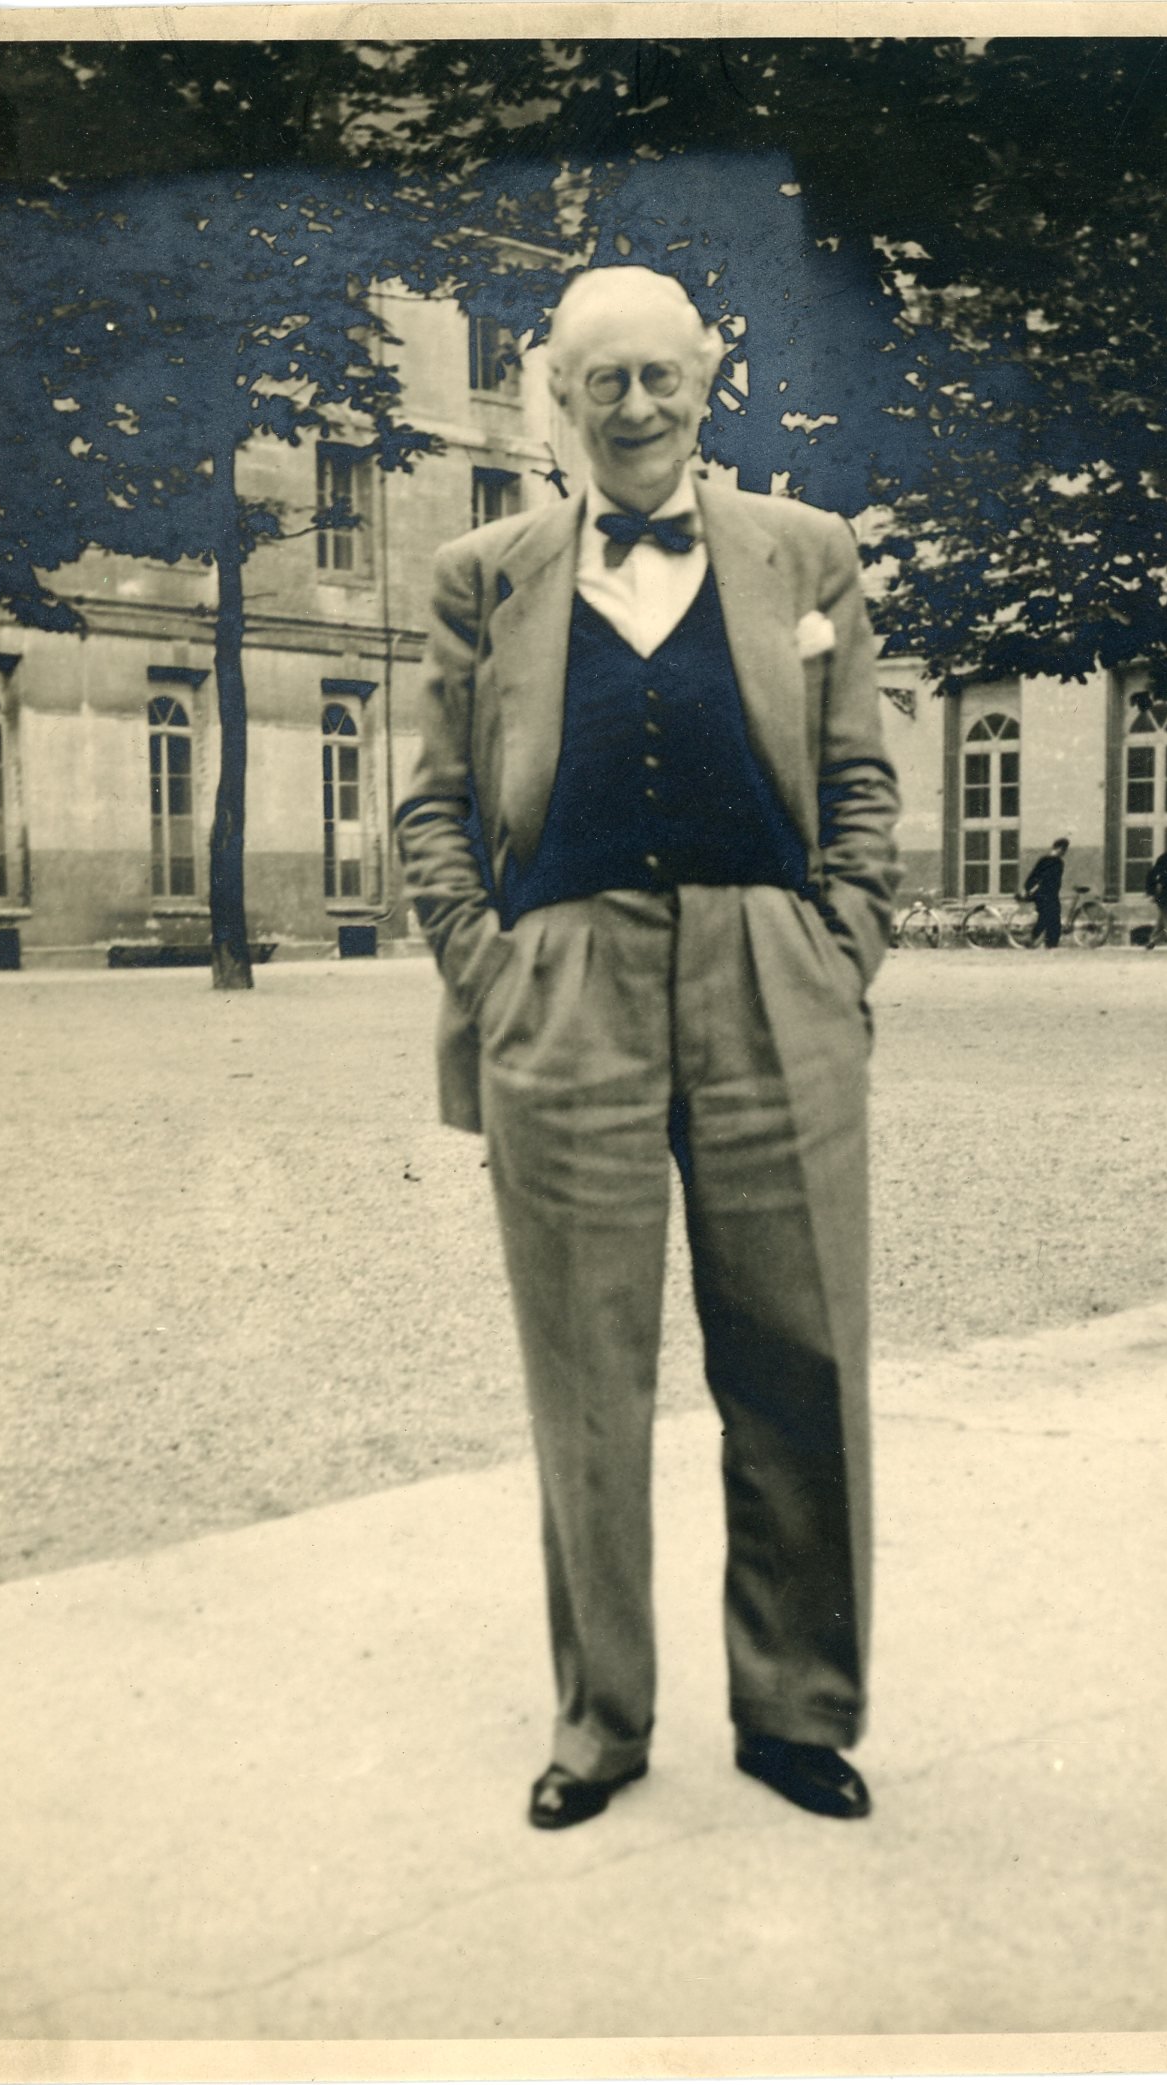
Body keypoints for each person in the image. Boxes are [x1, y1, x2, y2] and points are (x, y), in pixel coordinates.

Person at [396, 266, 901, 1832]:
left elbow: (862, 780)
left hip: (771, 978)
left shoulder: (807, 553)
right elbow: (432, 805)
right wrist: (493, 973)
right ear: (557, 396)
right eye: (601, 380)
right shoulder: (482, 573)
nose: (633, 407)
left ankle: (798, 1712)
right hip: (563, 987)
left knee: (802, 1358)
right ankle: (601, 1723)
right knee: (587, 1378)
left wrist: (839, 951)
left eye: (659, 377)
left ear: (707, 380)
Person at [1022, 837, 1069, 948]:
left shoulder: (1054, 861)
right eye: (1064, 849)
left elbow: (1036, 876)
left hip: (1050, 894)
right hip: (1043, 894)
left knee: (1052, 918)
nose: (1064, 852)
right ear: (1059, 848)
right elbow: (1035, 876)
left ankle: (1049, 943)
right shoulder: (1049, 861)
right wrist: (1028, 889)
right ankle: (1036, 940)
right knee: (1047, 917)